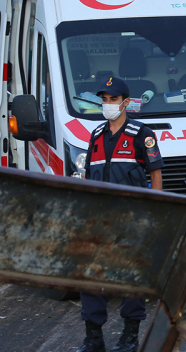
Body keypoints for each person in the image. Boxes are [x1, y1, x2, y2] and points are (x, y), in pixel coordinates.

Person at [77, 77, 163, 352]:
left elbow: (156, 175)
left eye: (113, 99)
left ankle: (129, 336)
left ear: (126, 102)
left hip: (133, 220)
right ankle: (93, 338)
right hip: (100, 220)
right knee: (91, 277)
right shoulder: (96, 135)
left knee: (132, 278)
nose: (108, 104)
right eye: (104, 99)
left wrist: (154, 212)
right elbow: (90, 176)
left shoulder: (142, 133)